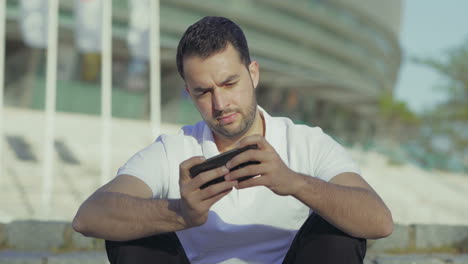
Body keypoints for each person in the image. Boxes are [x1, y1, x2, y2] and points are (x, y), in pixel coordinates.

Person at [72, 16, 393, 264]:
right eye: (203, 92)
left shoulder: (306, 143)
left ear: (253, 73)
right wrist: (180, 213)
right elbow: (89, 216)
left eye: (229, 83)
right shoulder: (175, 149)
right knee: (130, 232)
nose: (220, 104)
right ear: (189, 94)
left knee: (339, 229)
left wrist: (294, 182)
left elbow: (379, 221)